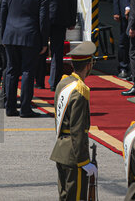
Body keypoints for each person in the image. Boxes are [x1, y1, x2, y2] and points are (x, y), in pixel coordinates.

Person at [1, 0, 51, 117]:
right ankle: (25, 108)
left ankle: (9, 107)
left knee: (11, 71)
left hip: (10, 35)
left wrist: (4, 34)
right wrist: (44, 42)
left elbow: (3, 13)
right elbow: (43, 20)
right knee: (28, 71)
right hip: (30, 36)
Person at [50, 41, 97, 201]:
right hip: (74, 156)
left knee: (64, 197)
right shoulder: (80, 91)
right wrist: (84, 160)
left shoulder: (63, 83)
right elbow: (78, 129)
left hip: (61, 149)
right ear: (88, 65)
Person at [39, 0, 78, 91]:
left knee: (41, 48)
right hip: (60, 17)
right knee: (57, 50)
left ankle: (39, 80)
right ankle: (54, 82)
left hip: (42, 17)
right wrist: (72, 20)